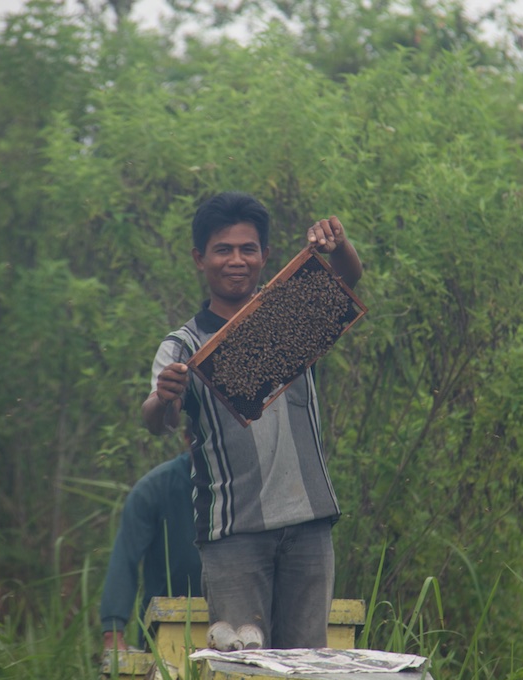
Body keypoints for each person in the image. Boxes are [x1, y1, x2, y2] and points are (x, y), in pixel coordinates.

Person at [141, 191, 362, 650]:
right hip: (233, 535)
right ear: (200, 259)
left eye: (248, 249)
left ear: (265, 255)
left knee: (307, 668)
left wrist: (338, 243)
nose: (236, 260)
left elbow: (347, 277)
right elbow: (156, 420)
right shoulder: (183, 345)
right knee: (242, 666)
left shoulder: (287, 314)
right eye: (223, 250)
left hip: (309, 522)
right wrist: (164, 397)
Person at [100, 452, 203, 652]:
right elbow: (125, 558)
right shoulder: (154, 488)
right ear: (187, 439)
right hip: (165, 625)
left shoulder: (244, 484)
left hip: (235, 620)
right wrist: (113, 630)